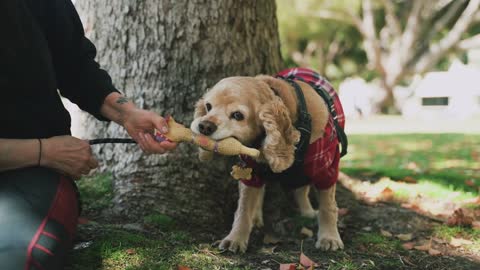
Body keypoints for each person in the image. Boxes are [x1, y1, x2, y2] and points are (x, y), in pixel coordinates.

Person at [0, 0, 177, 269]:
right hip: (39, 156)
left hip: (28, 177)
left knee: (15, 258)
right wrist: (44, 151)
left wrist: (127, 113)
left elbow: (74, 65)